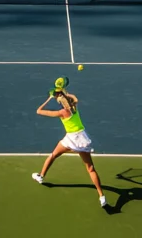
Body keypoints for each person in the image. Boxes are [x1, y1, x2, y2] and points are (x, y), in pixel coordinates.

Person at [32, 78, 107, 209]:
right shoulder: (74, 107)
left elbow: (39, 111)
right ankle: (101, 196)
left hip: (71, 140)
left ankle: (41, 176)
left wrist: (49, 98)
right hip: (82, 139)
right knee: (90, 169)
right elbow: (74, 98)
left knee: (54, 155)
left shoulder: (62, 112)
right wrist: (64, 93)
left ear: (61, 103)